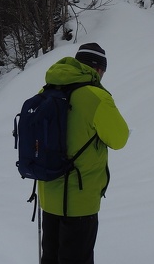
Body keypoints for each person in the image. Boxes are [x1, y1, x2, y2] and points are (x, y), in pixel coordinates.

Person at [38, 42, 129, 264]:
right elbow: (119, 139)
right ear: (98, 69)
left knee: (51, 257)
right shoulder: (96, 97)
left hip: (48, 194)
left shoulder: (46, 90)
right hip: (80, 199)